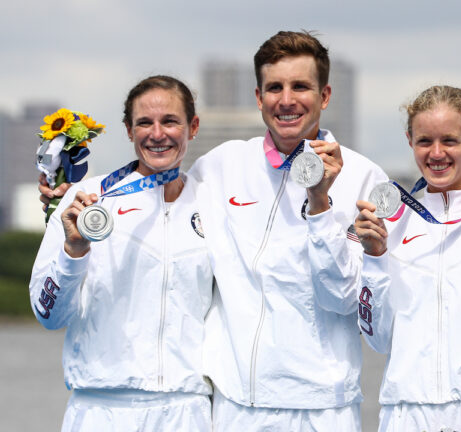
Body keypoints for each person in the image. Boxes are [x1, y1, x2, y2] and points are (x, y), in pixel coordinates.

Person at [188, 31, 387, 430]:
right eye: (274, 87)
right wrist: (71, 197)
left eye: (301, 86)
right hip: (236, 403)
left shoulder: (366, 178)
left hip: (323, 407)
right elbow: (161, 211)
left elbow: (345, 298)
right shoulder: (220, 166)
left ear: (325, 95)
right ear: (258, 97)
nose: (286, 99)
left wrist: (320, 203)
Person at [29, 75, 213, 431]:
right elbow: (47, 314)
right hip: (101, 410)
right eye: (144, 122)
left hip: (188, 411)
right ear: (129, 130)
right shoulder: (84, 201)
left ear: (193, 126)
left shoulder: (213, 202)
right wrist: (74, 250)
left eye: (170, 121)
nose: (157, 134)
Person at [354, 85, 461, 432]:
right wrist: (374, 259)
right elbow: (377, 338)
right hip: (405, 414)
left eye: (450, 140)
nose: (437, 153)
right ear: (409, 141)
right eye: (425, 141)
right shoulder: (390, 223)